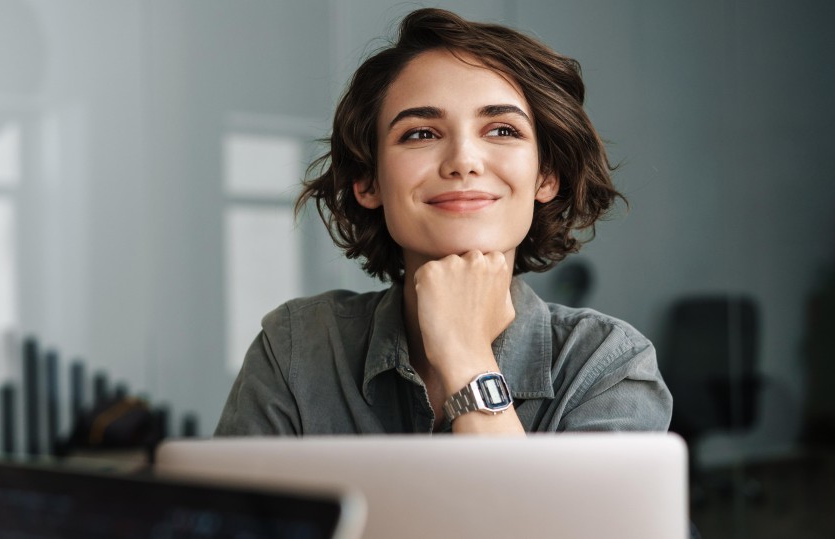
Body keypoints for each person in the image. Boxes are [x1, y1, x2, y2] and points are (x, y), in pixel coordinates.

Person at [215, 8, 671, 436]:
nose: (463, 161)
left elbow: (541, 526)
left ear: (545, 176)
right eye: (421, 133)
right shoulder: (295, 348)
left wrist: (466, 356)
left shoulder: (608, 365)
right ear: (367, 181)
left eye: (502, 130)